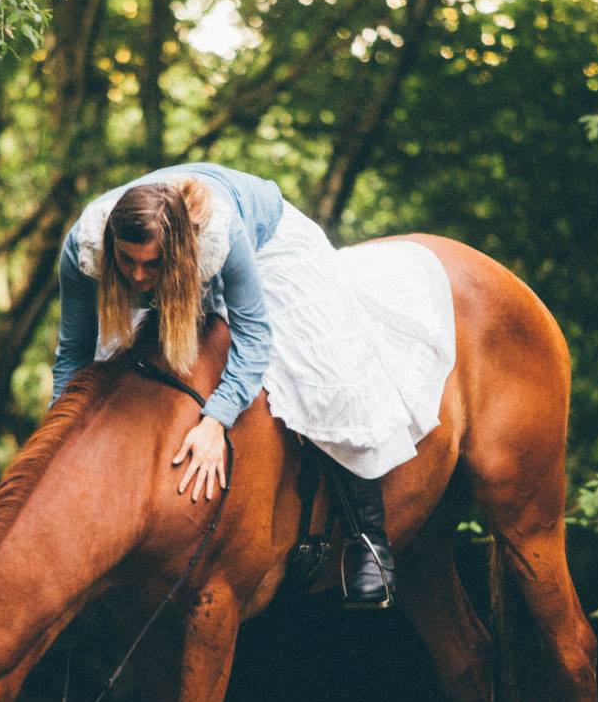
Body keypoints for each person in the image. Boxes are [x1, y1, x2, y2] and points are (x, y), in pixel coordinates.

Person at [50, 162, 455, 609]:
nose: (140, 278)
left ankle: (367, 540)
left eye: (152, 265)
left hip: (271, 245)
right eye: (128, 262)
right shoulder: (84, 247)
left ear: (180, 255)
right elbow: (73, 354)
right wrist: (59, 443)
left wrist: (214, 421)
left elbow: (254, 336)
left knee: (325, 372)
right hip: (177, 259)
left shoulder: (218, 239)